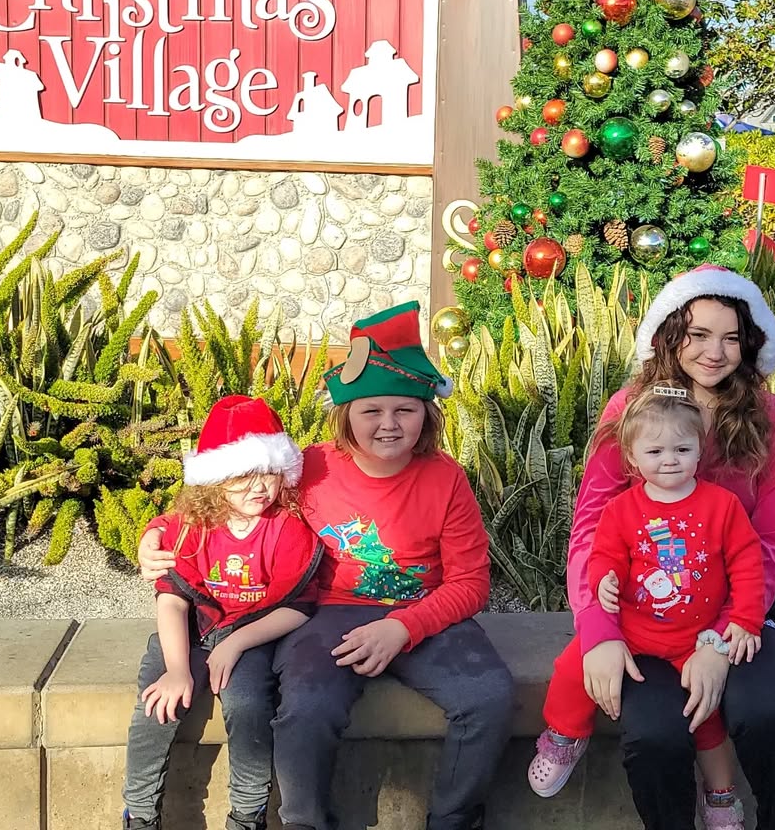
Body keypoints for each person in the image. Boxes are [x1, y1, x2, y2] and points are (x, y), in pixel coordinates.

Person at [138, 302, 515, 830]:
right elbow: (224, 500)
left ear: (427, 415)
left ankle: (453, 819)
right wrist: (153, 532)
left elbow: (471, 583)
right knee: (307, 708)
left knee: (489, 697)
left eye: (404, 410)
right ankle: (305, 822)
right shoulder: (310, 467)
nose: (388, 425)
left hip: (422, 612)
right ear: (346, 416)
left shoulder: (445, 478)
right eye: (371, 411)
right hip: (325, 612)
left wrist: (402, 627)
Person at [571, 264, 775, 830]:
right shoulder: (630, 410)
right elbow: (590, 530)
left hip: (741, 612)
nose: (714, 352)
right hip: (644, 616)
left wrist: (721, 640)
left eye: (730, 338)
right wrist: (597, 634)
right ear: (671, 335)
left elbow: (772, 542)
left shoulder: (774, 419)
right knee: (653, 736)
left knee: (768, 714)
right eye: (698, 335)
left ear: (749, 345)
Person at [528, 383, 765, 830]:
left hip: (695, 640)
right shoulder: (621, 509)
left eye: (682, 448)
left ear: (700, 452)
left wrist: (746, 621)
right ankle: (564, 735)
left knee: (707, 716)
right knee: (570, 668)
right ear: (633, 459)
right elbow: (603, 556)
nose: (670, 459)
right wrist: (605, 580)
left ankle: (719, 793)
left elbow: (748, 567)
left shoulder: (723, 506)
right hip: (634, 630)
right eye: (655, 450)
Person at [123, 395, 324, 830]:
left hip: (252, 634)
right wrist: (178, 670)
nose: (258, 487)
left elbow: (299, 607)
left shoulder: (286, 527)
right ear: (214, 479)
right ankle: (139, 813)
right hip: (190, 632)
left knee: (249, 704)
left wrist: (235, 644)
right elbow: (172, 599)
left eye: (269, 473)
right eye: (242, 475)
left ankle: (248, 815)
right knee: (155, 706)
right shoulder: (193, 524)